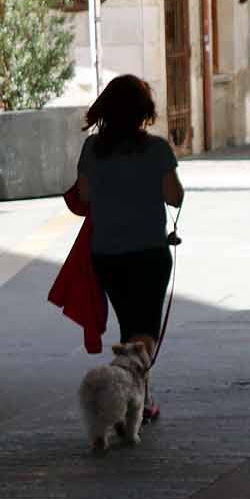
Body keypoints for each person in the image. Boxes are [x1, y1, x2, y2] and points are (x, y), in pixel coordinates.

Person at [74, 75, 185, 422]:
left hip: (107, 255)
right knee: (145, 331)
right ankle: (125, 391)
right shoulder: (157, 149)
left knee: (130, 328)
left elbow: (83, 197)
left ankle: (134, 398)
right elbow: (174, 196)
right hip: (150, 252)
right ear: (143, 112)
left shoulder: (92, 150)